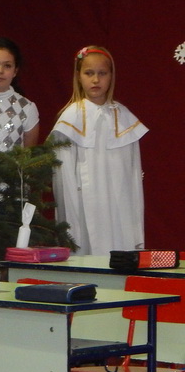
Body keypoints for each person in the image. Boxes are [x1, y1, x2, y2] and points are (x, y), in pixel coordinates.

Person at [51, 45, 147, 256]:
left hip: (118, 204)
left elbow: (132, 174)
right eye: (89, 73)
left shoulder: (124, 117)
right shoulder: (70, 118)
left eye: (102, 73)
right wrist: (72, 218)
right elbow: (63, 177)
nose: (96, 80)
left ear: (111, 76)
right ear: (78, 76)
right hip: (84, 202)